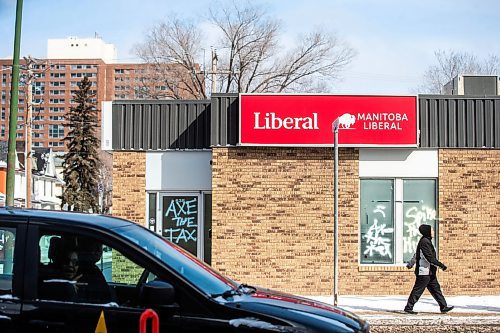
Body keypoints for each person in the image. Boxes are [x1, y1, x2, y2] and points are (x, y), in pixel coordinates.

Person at [404, 224, 454, 314]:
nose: (433, 232)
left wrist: (410, 264)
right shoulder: (424, 242)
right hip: (424, 272)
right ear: (427, 232)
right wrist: (441, 265)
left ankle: (443, 306)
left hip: (430, 272)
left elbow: (417, 255)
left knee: (436, 290)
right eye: (432, 230)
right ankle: (408, 307)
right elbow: (429, 258)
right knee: (418, 290)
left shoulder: (426, 241)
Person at [76, 238, 111, 303]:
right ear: (85, 248)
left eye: (100, 246)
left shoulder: (92, 269)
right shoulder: (85, 272)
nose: (99, 250)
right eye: (96, 246)